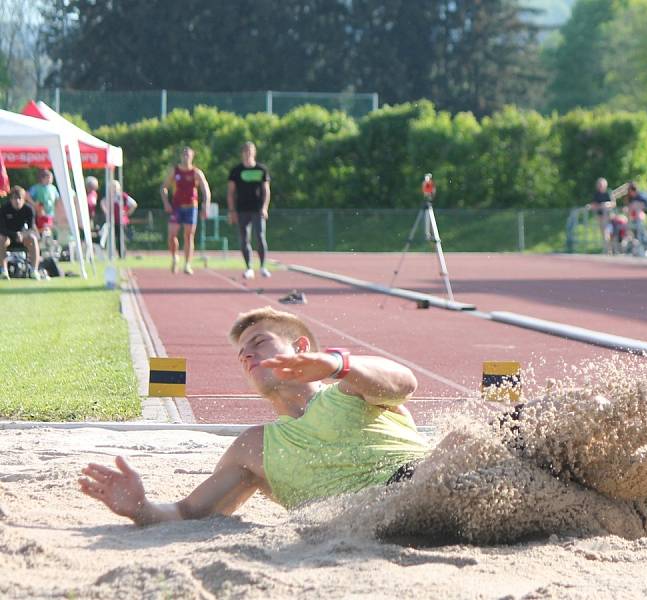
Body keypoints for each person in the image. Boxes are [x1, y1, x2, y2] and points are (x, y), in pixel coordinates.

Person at [78, 306, 429, 523]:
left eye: (259, 342)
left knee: (470, 441)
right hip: (366, 521)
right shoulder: (254, 447)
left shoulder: (349, 389)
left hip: (427, 482)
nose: (247, 355)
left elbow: (405, 383)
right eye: (242, 354)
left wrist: (338, 365)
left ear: (300, 348)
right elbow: (188, 513)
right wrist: (141, 509)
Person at [160, 146, 211, 275]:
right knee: (172, 235)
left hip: (191, 207)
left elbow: (206, 190)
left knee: (189, 236)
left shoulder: (196, 172)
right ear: (181, 156)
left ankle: (187, 264)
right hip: (176, 207)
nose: (186, 157)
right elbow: (163, 188)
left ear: (192, 156)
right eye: (184, 154)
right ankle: (174, 257)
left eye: (188, 154)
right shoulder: (175, 171)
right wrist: (166, 203)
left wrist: (206, 205)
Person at [227, 142, 271, 280]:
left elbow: (266, 191)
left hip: (257, 209)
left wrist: (264, 207)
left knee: (260, 236)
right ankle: (249, 268)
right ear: (242, 153)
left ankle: (263, 266)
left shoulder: (261, 169)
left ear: (254, 152)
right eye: (245, 151)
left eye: (250, 151)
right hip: (242, 210)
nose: (248, 153)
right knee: (244, 239)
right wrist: (232, 210)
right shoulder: (236, 171)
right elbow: (230, 192)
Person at [0, 186, 40, 279]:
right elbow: (1, 228)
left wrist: (22, 234)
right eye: (14, 198)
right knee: (1, 239)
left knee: (33, 239)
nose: (17, 201)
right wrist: (14, 234)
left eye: (19, 198)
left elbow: (31, 228)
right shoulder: (4, 209)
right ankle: (4, 271)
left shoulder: (29, 209)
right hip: (8, 237)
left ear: (23, 199)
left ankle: (34, 270)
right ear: (11, 199)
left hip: (23, 237)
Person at [101, 180, 138, 258]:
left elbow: (133, 204)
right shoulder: (109, 196)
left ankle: (122, 255)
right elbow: (102, 203)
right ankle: (111, 255)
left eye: (115, 187)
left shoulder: (122, 196)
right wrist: (106, 211)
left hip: (121, 221)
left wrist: (126, 212)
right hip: (112, 221)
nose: (113, 189)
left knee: (120, 239)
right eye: (112, 187)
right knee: (111, 238)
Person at [28, 169, 59, 235]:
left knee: (50, 231)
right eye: (49, 177)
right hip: (40, 215)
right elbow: (27, 195)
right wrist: (34, 204)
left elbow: (57, 199)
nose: (51, 180)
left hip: (51, 214)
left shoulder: (53, 188)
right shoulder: (36, 187)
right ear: (43, 178)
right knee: (42, 231)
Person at [587, 177, 615, 253]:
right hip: (600, 216)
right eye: (599, 184)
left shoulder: (608, 193)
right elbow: (594, 204)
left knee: (609, 233)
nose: (600, 186)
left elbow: (613, 203)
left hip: (608, 216)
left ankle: (610, 249)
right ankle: (607, 249)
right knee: (604, 233)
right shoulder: (596, 194)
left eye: (601, 184)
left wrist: (606, 204)